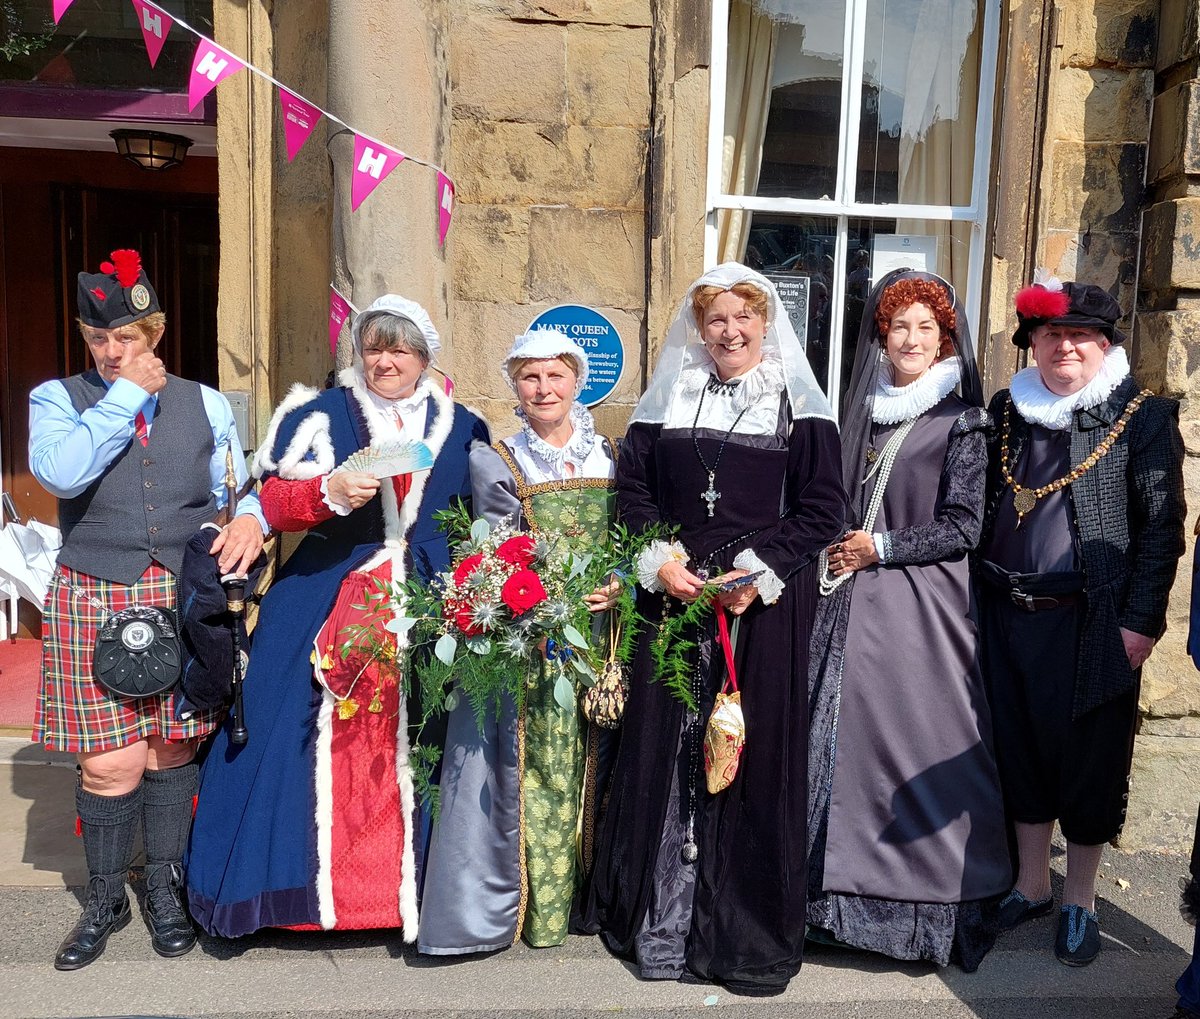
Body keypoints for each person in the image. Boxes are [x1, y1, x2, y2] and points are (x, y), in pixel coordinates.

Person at [185, 295, 488, 940]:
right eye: (374, 347)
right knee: (284, 722)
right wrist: (324, 495)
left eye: (400, 348)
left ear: (424, 357)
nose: (385, 360)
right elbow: (270, 499)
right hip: (327, 590)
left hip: (430, 595)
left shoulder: (463, 424)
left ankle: (422, 899)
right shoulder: (318, 414)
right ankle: (290, 898)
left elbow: (487, 515)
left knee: (428, 733)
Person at [583, 262, 845, 995]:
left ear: (767, 322)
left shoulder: (800, 407)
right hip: (673, 596)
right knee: (664, 749)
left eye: (743, 318)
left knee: (744, 751)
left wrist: (755, 575)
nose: (730, 331)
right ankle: (659, 921)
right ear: (699, 329)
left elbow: (824, 510)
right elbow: (632, 492)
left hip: (757, 608)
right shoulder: (669, 397)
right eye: (716, 320)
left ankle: (737, 931)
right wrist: (660, 561)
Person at [28, 250, 267, 969]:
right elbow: (61, 471)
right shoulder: (55, 397)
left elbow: (239, 482)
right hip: (94, 587)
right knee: (110, 764)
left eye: (127, 338)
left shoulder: (209, 402)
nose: (111, 350)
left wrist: (251, 514)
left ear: (155, 332)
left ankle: (162, 886)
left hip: (181, 590)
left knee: (171, 750)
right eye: (98, 337)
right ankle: (105, 896)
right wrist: (124, 396)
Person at [806, 270, 1010, 970]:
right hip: (849, 603)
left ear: (944, 338)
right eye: (900, 327)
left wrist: (882, 546)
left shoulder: (963, 421)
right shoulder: (860, 413)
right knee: (832, 744)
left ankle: (911, 914)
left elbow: (964, 525)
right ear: (881, 337)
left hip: (923, 612)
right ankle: (825, 906)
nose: (912, 339)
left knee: (914, 746)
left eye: (926, 327)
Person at [980, 274, 1186, 966]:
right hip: (1008, 613)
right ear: (1032, 342)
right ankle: (1032, 883)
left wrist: (1141, 623)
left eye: (1080, 335)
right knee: (1022, 749)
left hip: (1095, 621)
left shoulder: (1142, 416)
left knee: (1092, 762)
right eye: (1051, 334)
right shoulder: (1008, 408)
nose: (1064, 345)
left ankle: (1081, 898)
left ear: (1104, 344)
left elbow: (1163, 531)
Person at [418, 328, 620, 955]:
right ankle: (539, 908)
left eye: (555, 376)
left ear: (577, 381)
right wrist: (538, 601)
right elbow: (495, 550)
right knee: (543, 760)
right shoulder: (498, 459)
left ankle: (597, 897)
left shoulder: (611, 453)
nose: (543, 388)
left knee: (604, 757)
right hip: (540, 629)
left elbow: (629, 535)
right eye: (530, 378)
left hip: (608, 631)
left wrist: (618, 582)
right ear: (513, 386)